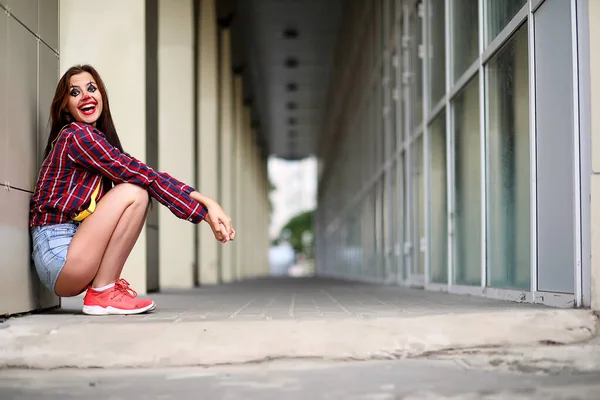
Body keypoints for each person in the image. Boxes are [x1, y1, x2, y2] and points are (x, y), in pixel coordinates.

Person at [29, 64, 235, 316]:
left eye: (92, 88)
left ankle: (103, 291)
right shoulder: (77, 136)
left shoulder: (94, 140)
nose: (86, 96)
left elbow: (136, 171)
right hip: (58, 254)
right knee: (135, 192)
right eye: (75, 92)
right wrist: (204, 205)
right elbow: (142, 175)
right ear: (65, 108)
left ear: (101, 96)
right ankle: (103, 292)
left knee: (135, 189)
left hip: (69, 252)